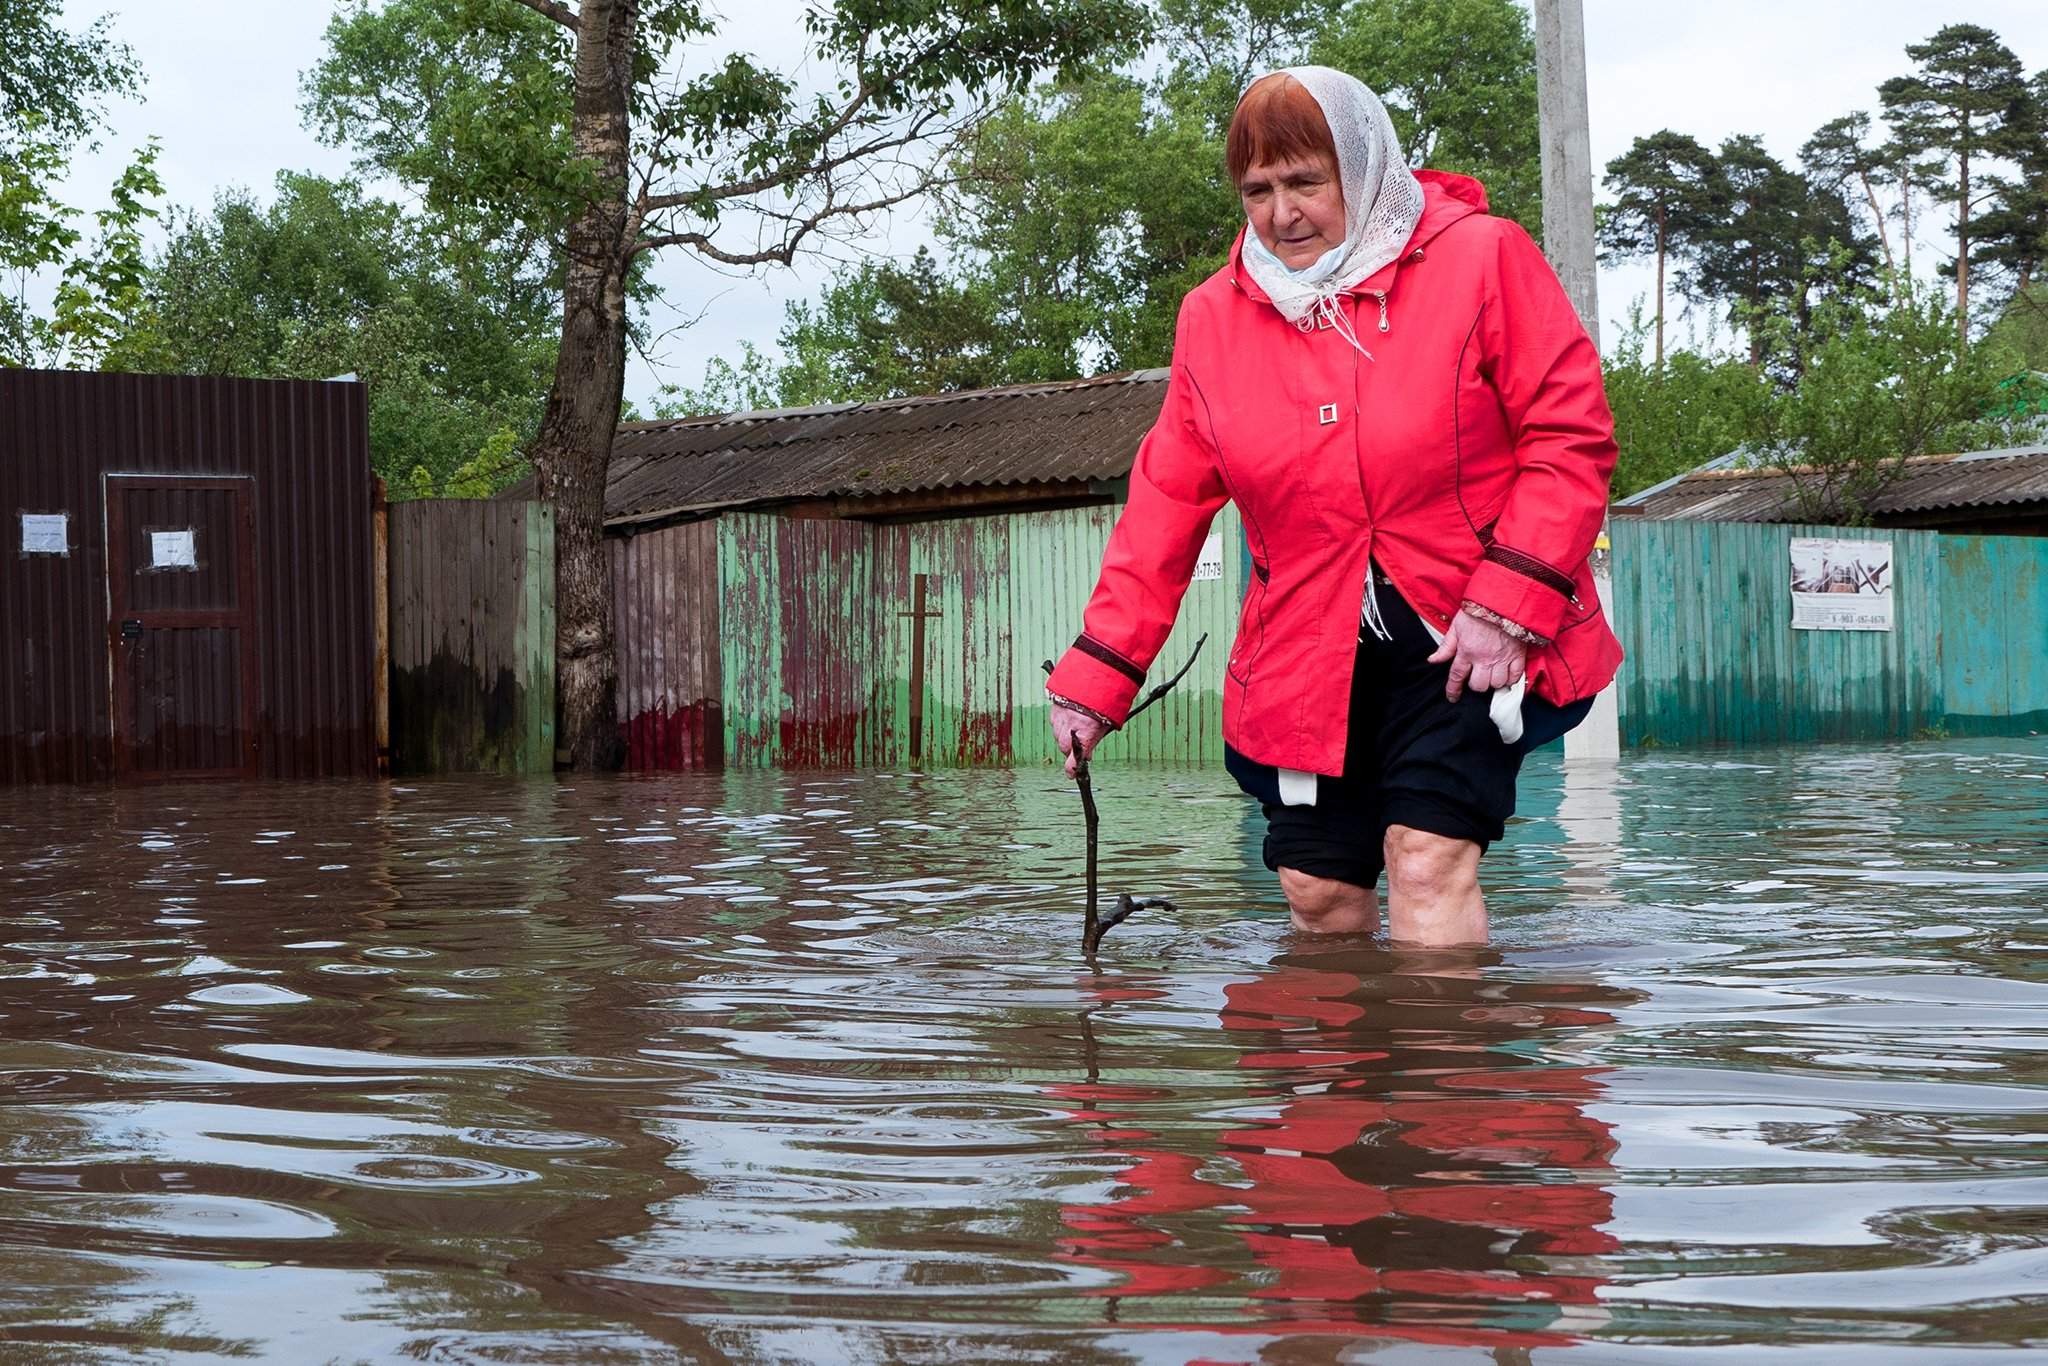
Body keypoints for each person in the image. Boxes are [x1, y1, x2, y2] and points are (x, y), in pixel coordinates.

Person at [1044, 67, 1623, 948]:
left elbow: (1569, 435)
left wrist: (1506, 606)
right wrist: (1097, 677)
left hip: (1460, 632)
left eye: (1307, 182)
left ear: (1363, 169)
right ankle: (1339, 1081)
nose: (1283, 213)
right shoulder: (1213, 317)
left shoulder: (1483, 258)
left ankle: (1442, 1076)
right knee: (1316, 889)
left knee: (1425, 858)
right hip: (1304, 645)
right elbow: (1164, 503)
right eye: (1259, 191)